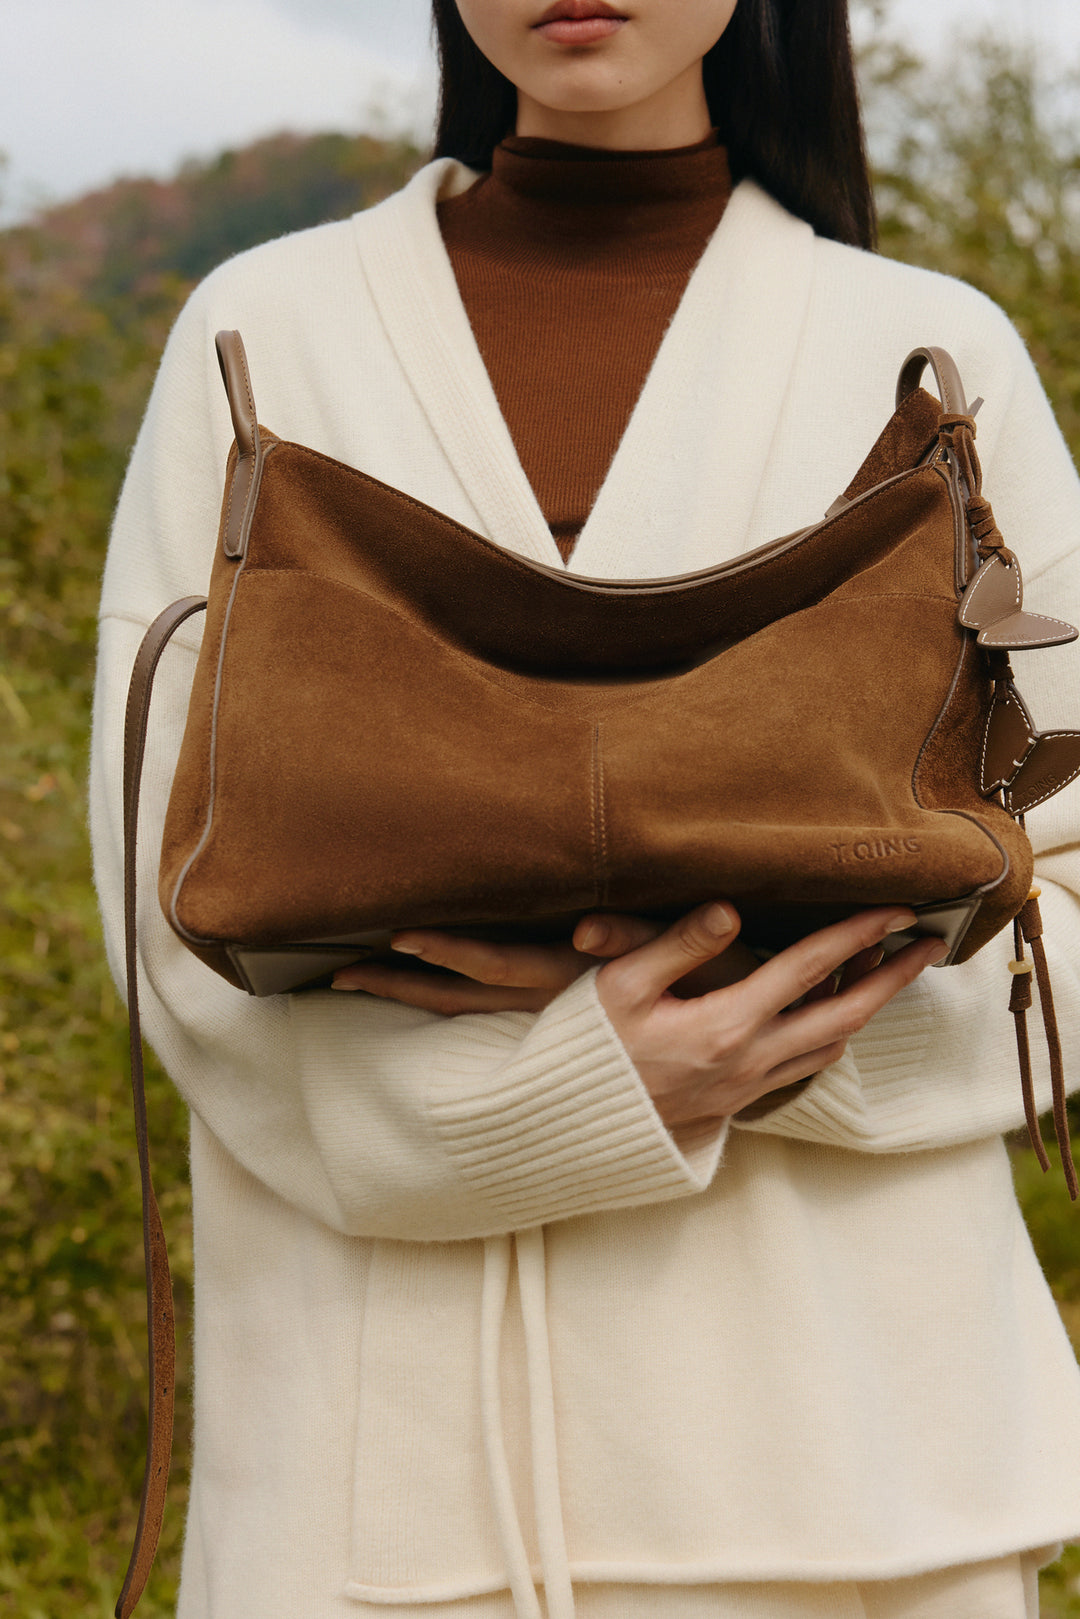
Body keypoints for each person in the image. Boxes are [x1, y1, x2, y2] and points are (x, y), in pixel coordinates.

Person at [89, 1, 1080, 1615]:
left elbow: (1063, 876)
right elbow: (169, 901)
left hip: (865, 1489)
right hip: (376, 1513)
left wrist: (728, 1047)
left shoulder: (934, 350)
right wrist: (573, 1082)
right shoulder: (263, 331)